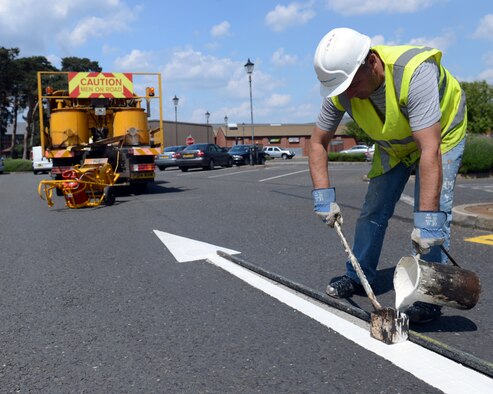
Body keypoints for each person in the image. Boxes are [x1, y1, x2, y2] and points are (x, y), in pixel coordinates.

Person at [310, 27, 467, 323]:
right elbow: (317, 143)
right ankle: (357, 276)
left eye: (352, 85)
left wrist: (428, 222)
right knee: (373, 210)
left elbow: (428, 148)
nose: (348, 94)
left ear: (371, 62)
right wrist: (323, 198)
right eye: (341, 89)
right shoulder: (340, 91)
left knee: (433, 214)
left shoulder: (414, 72)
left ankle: (430, 292)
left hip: (440, 136)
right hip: (394, 144)